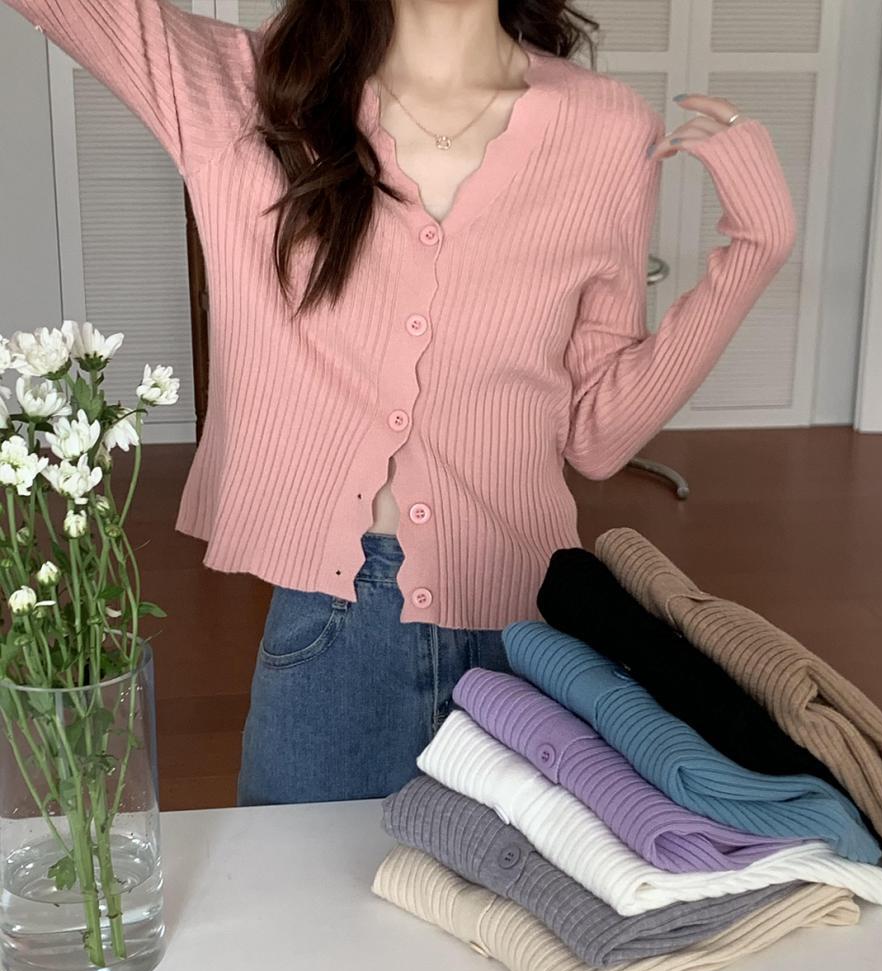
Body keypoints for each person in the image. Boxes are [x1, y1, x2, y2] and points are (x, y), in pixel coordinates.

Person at [2, 0, 796, 805]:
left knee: (501, 893)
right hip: (333, 627)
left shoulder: (608, 129)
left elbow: (596, 433)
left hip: (523, 632)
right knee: (297, 886)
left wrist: (756, 250)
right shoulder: (246, 89)